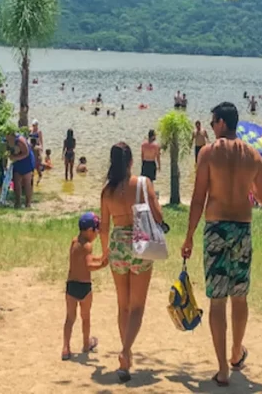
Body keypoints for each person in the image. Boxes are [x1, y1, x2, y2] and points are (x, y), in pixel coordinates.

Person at [182, 102, 262, 387]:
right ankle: (236, 352)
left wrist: (189, 236)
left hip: (217, 228)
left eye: (212, 122)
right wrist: (249, 187)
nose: (210, 127)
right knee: (240, 295)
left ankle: (222, 368)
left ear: (221, 123)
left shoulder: (208, 153)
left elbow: (198, 198)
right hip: (242, 229)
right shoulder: (253, 156)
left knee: (217, 299)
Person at [100, 142, 164, 382]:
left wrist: (106, 251)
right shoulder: (143, 183)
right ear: (130, 162)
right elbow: (158, 214)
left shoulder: (107, 191)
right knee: (137, 306)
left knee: (122, 305)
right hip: (140, 243)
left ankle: (126, 358)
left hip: (117, 244)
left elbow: (104, 226)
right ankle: (125, 352)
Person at [63, 212, 105, 360]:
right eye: (96, 230)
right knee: (85, 317)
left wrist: (101, 257)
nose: (98, 233)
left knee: (70, 317)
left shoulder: (74, 242)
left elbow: (83, 259)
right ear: (89, 230)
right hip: (84, 287)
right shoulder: (88, 246)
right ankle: (86, 344)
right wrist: (102, 264)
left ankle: (66, 348)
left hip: (71, 285)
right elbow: (88, 265)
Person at [6, 132, 35, 209]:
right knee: (16, 182)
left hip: (26, 161)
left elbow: (26, 153)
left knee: (27, 183)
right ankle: (17, 202)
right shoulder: (7, 141)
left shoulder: (20, 140)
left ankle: (28, 203)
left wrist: (16, 158)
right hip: (17, 162)